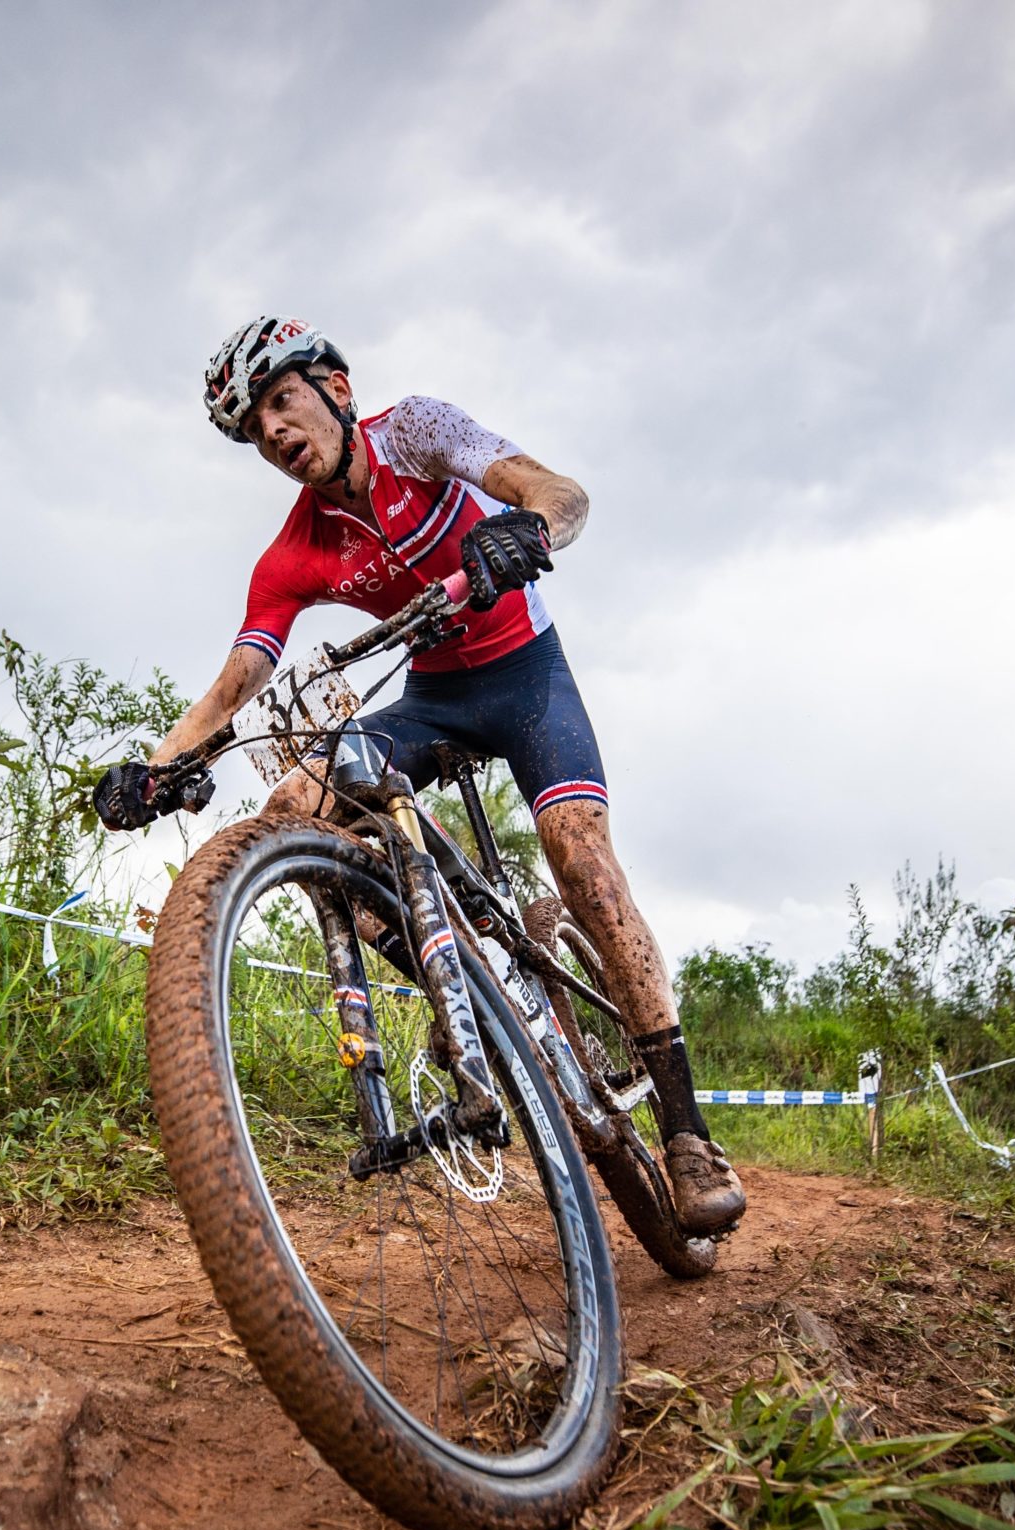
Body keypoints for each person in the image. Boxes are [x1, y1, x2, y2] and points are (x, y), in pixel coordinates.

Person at [95, 316, 744, 1235]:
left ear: (336, 389)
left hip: (526, 678)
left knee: (582, 861)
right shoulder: (294, 552)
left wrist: (524, 529)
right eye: (254, 429)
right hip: (435, 698)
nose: (273, 432)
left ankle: (686, 1132)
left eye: (281, 401)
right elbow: (237, 680)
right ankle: (464, 983)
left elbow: (561, 493)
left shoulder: (417, 432)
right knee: (295, 807)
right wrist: (154, 770)